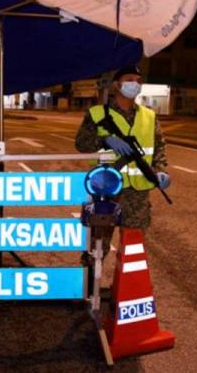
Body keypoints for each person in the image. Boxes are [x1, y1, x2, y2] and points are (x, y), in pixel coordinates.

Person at [75, 65, 170, 260]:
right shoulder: (97, 113)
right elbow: (81, 144)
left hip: (138, 192)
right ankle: (89, 286)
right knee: (97, 243)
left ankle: (127, 289)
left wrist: (160, 170)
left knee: (133, 245)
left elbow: (159, 146)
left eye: (138, 80)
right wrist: (105, 139)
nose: (134, 84)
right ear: (117, 85)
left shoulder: (149, 116)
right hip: (106, 188)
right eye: (129, 79)